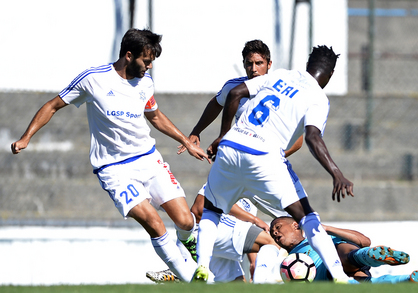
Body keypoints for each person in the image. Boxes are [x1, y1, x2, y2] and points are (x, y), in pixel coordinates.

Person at [10, 28, 210, 282]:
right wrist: (27, 137)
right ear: (128, 55)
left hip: (148, 160)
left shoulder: (144, 83)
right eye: (146, 61)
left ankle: (184, 253)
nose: (149, 67)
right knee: (153, 222)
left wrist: (186, 140)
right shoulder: (93, 79)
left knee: (184, 221)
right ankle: (193, 280)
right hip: (114, 170)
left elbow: (155, 116)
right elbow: (53, 105)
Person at [193, 45, 355, 283]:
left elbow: (236, 93)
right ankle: (340, 276)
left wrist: (222, 136)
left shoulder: (281, 75)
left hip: (231, 148)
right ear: (329, 75)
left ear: (308, 65)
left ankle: (203, 267)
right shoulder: (318, 97)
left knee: (211, 210)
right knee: (307, 217)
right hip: (264, 156)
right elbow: (312, 137)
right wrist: (336, 172)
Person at [146, 184, 279, 283]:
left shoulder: (253, 195)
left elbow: (248, 234)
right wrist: (254, 219)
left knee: (237, 285)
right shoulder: (224, 177)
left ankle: (181, 278)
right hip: (203, 235)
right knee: (273, 240)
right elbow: (199, 209)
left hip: (222, 242)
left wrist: (253, 262)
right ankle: (260, 286)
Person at [258, 216, 418, 284]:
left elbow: (364, 240)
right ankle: (408, 279)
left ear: (296, 225)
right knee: (365, 285)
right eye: (273, 233)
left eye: (278, 227)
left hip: (344, 260)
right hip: (333, 279)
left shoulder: (318, 238)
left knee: (341, 249)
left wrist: (325, 228)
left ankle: (372, 256)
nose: (274, 232)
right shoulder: (287, 263)